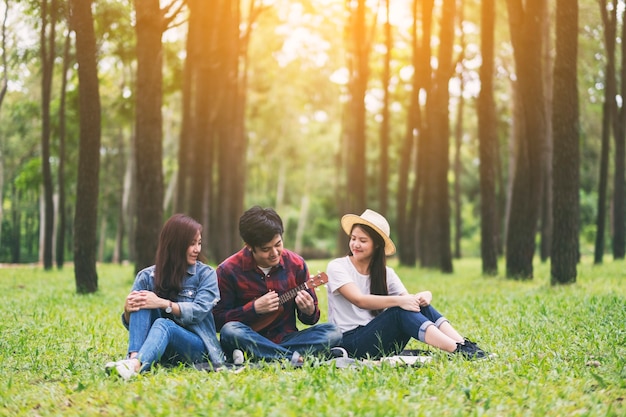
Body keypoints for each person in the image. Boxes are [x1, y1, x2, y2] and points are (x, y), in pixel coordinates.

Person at [326, 209, 491, 360]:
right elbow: (359, 300)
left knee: (417, 306)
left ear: (376, 245)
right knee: (399, 310)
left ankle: (465, 345)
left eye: (362, 240)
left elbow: (409, 301)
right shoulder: (338, 266)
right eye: (353, 239)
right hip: (350, 343)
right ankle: (457, 350)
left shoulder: (386, 273)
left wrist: (424, 296)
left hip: (380, 342)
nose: (355, 244)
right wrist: (400, 301)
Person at [213, 206, 342, 365]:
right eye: (266, 249)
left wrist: (309, 311)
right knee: (230, 332)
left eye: (278, 244)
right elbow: (218, 321)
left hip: (286, 338)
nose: (274, 253)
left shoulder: (296, 264)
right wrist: (253, 309)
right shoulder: (228, 270)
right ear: (249, 246)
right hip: (248, 336)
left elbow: (312, 319)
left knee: (332, 332)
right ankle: (293, 358)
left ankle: (264, 355)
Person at [105, 214, 225, 380]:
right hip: (161, 349)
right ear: (175, 244)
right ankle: (133, 360)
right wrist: (128, 311)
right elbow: (135, 327)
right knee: (141, 300)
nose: (197, 249)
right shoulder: (146, 276)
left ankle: (134, 365)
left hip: (196, 347)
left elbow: (198, 311)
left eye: (199, 243)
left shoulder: (206, 275)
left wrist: (163, 303)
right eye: (191, 244)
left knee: (163, 324)